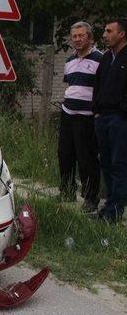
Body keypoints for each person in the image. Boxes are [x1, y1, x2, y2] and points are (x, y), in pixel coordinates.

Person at [58, 21, 102, 213]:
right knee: (65, 154)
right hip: (67, 113)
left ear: (89, 37)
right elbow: (72, 86)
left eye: (81, 35)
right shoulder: (69, 61)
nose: (77, 39)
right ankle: (67, 190)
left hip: (87, 116)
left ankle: (91, 197)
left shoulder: (101, 60)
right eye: (74, 36)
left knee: (87, 159)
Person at [92, 18, 127, 224]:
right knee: (105, 162)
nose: (105, 35)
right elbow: (97, 86)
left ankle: (116, 209)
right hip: (102, 118)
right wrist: (96, 111)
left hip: (119, 119)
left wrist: (122, 112)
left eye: (109, 31)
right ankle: (109, 204)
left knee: (119, 163)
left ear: (121, 34)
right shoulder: (106, 58)